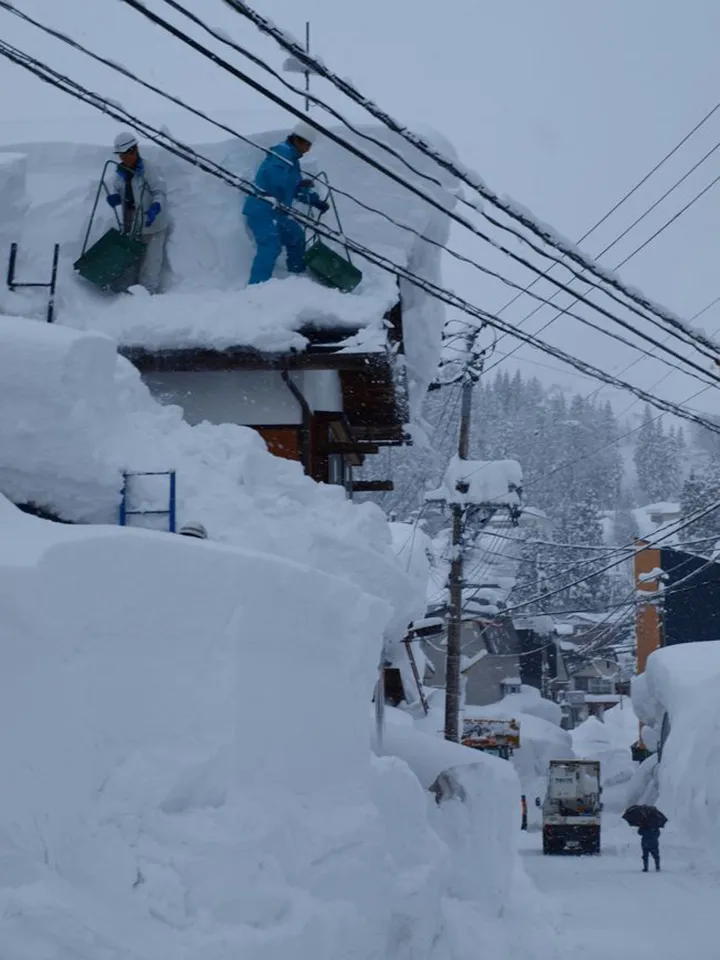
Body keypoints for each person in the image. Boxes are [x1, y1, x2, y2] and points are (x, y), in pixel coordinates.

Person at [243, 121, 329, 285]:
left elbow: (293, 189)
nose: (308, 149)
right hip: (262, 208)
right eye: (307, 145)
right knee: (271, 245)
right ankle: (256, 287)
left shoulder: (293, 159)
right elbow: (275, 179)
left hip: (277, 211)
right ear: (297, 140)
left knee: (295, 236)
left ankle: (296, 277)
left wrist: (316, 201)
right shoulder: (281, 153)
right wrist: (298, 183)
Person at [106, 131, 169, 294]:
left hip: (152, 225)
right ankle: (127, 295)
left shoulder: (149, 169)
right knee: (130, 263)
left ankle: (149, 297)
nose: (121, 158)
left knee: (150, 264)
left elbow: (159, 192)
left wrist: (156, 207)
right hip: (131, 224)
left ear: (133, 151)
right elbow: (118, 189)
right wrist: (115, 197)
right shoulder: (121, 172)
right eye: (119, 155)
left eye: (123, 155)